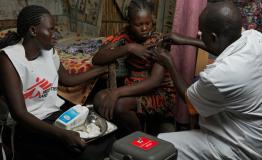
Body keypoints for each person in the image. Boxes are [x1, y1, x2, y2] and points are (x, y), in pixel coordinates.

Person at [0, 5, 114, 160]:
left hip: (53, 116)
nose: (56, 35)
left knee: (106, 140)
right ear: (33, 31)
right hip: (27, 126)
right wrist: (63, 134)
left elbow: (68, 80)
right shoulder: (9, 59)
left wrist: (100, 70)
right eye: (51, 30)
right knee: (86, 152)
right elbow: (19, 114)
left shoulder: (49, 51)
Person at [155, 1, 262, 159]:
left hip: (239, 146)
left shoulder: (220, 75)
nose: (198, 34)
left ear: (213, 37)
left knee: (161, 147)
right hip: (253, 132)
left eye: (201, 32)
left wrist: (169, 63)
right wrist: (186, 40)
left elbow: (189, 99)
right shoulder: (254, 38)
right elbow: (223, 46)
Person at [92, 0, 176, 135]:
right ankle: (116, 135)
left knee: (120, 106)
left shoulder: (159, 42)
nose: (144, 28)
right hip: (133, 88)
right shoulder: (125, 36)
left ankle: (139, 139)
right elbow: (98, 58)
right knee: (99, 98)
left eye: (147, 23)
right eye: (139, 24)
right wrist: (129, 48)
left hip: (159, 94)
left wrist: (117, 92)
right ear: (130, 24)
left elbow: (154, 81)